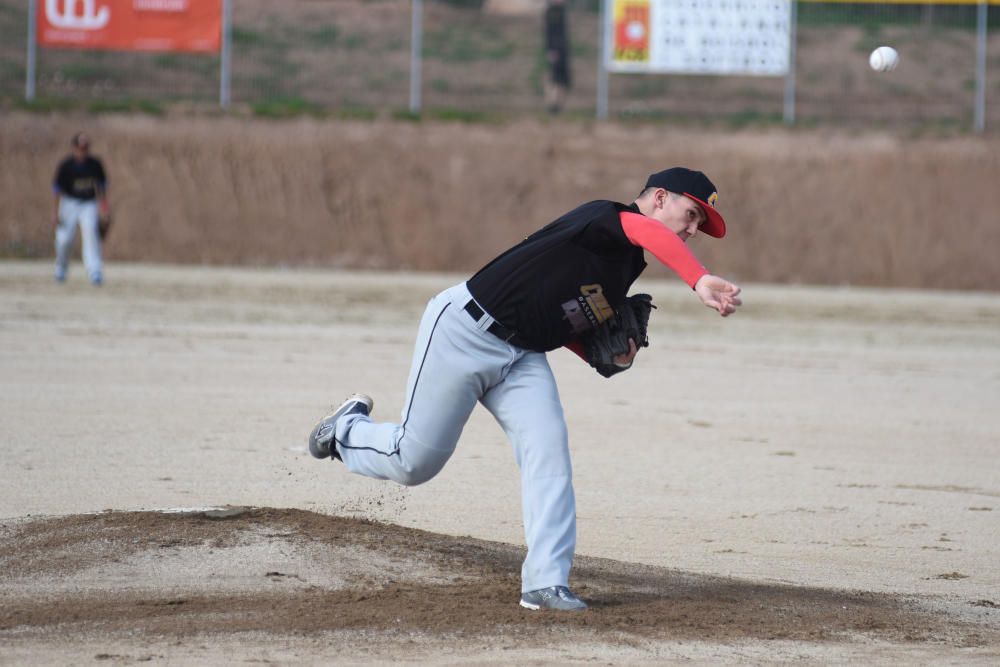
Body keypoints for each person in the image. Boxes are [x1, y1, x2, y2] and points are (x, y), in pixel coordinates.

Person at [307, 167, 742, 611]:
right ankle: (346, 430)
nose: (693, 229)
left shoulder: (624, 267)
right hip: (464, 331)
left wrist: (606, 357)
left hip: (523, 355)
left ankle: (545, 583)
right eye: (691, 215)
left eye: (699, 225)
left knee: (548, 453)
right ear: (661, 198)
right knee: (414, 462)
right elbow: (651, 235)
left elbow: (569, 321)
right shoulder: (606, 220)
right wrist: (700, 280)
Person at [52, 132, 110, 285]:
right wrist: (55, 212)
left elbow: (102, 189)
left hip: (88, 203)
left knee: (91, 233)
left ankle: (94, 270)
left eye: (85, 148)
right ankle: (61, 268)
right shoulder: (66, 166)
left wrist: (104, 209)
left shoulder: (95, 165)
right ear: (74, 148)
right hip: (69, 203)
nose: (82, 151)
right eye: (79, 148)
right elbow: (57, 191)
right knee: (64, 238)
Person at [543, 0, 571, 114]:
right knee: (555, 78)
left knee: (563, 79)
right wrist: (551, 49)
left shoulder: (560, 11)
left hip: (563, 49)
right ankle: (552, 104)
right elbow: (549, 32)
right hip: (556, 50)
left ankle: (558, 105)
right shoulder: (552, 12)